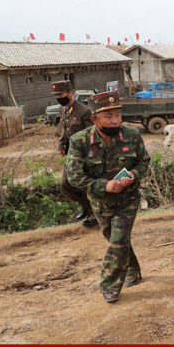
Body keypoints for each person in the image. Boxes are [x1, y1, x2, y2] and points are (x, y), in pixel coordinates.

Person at [66, 91, 151, 303]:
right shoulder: (79, 141)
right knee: (115, 239)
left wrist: (135, 175)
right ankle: (133, 271)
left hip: (128, 200)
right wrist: (104, 185)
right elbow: (74, 177)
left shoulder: (131, 135)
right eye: (109, 116)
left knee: (119, 240)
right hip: (100, 204)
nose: (115, 121)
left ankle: (110, 285)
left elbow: (144, 161)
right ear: (95, 119)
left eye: (117, 115)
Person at [50, 80, 96, 228]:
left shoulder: (84, 111)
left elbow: (92, 135)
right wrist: (61, 145)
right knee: (66, 184)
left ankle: (93, 214)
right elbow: (64, 129)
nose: (58, 97)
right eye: (56, 95)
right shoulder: (62, 109)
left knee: (84, 184)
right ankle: (86, 207)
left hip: (83, 154)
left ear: (70, 93)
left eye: (60, 94)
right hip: (71, 152)